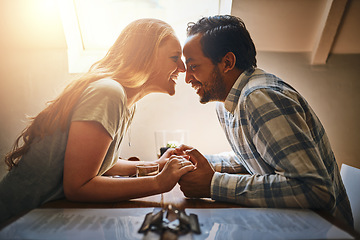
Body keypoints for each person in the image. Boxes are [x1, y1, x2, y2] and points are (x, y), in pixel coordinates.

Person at [0, 18, 195, 224]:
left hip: (37, 218)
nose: (183, 68)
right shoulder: (109, 93)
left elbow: (96, 164)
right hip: (12, 220)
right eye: (175, 57)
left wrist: (154, 165)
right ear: (145, 57)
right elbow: (78, 186)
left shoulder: (124, 100)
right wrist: (157, 183)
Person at [177, 15, 353, 227]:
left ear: (227, 63)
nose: (187, 78)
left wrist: (213, 185)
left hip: (321, 230)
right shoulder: (227, 103)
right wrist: (194, 163)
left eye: (193, 66)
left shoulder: (259, 98)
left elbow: (315, 190)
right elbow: (253, 159)